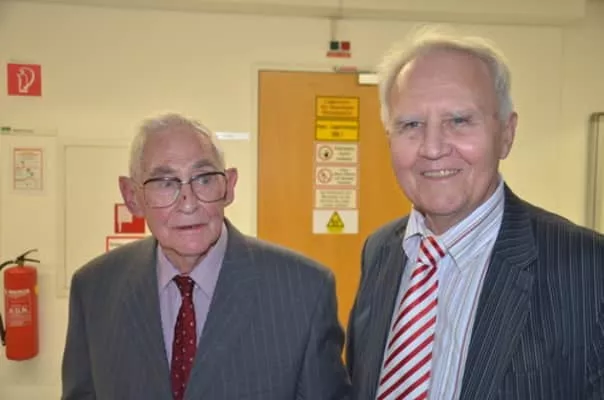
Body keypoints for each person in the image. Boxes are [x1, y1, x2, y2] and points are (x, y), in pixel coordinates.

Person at [346, 29, 604, 400]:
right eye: (411, 125)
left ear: (506, 134)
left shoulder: (588, 270)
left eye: (459, 120)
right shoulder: (379, 251)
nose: (432, 148)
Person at [62, 113, 351, 400]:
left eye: (203, 179)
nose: (188, 203)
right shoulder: (95, 289)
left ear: (229, 186)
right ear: (132, 197)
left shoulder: (304, 292)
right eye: (165, 182)